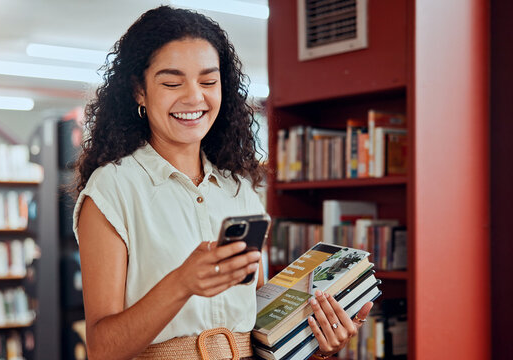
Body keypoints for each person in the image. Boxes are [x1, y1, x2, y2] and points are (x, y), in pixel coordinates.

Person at [73, 6, 373, 360]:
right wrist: (181, 283)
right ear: (139, 91)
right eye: (171, 82)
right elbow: (101, 348)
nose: (193, 97)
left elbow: (260, 330)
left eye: (208, 81)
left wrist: (316, 341)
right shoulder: (111, 190)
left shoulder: (239, 190)